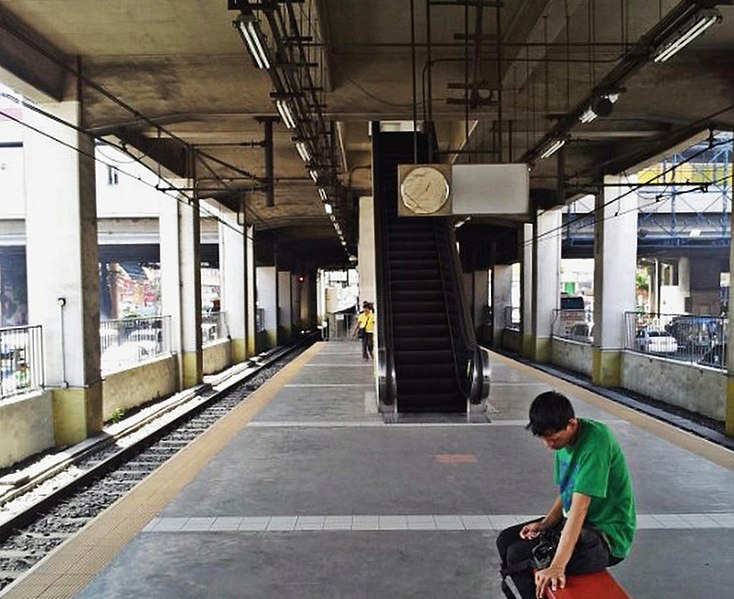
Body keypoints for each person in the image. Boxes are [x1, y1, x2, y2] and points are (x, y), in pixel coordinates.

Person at [496, 391, 636, 599]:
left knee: (519, 556)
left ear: (571, 424)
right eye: (544, 439)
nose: (549, 445)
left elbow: (580, 507)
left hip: (606, 537)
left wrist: (558, 565)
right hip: (578, 527)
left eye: (553, 439)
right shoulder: (564, 442)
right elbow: (568, 493)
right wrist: (546, 523)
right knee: (506, 540)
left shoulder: (596, 441)